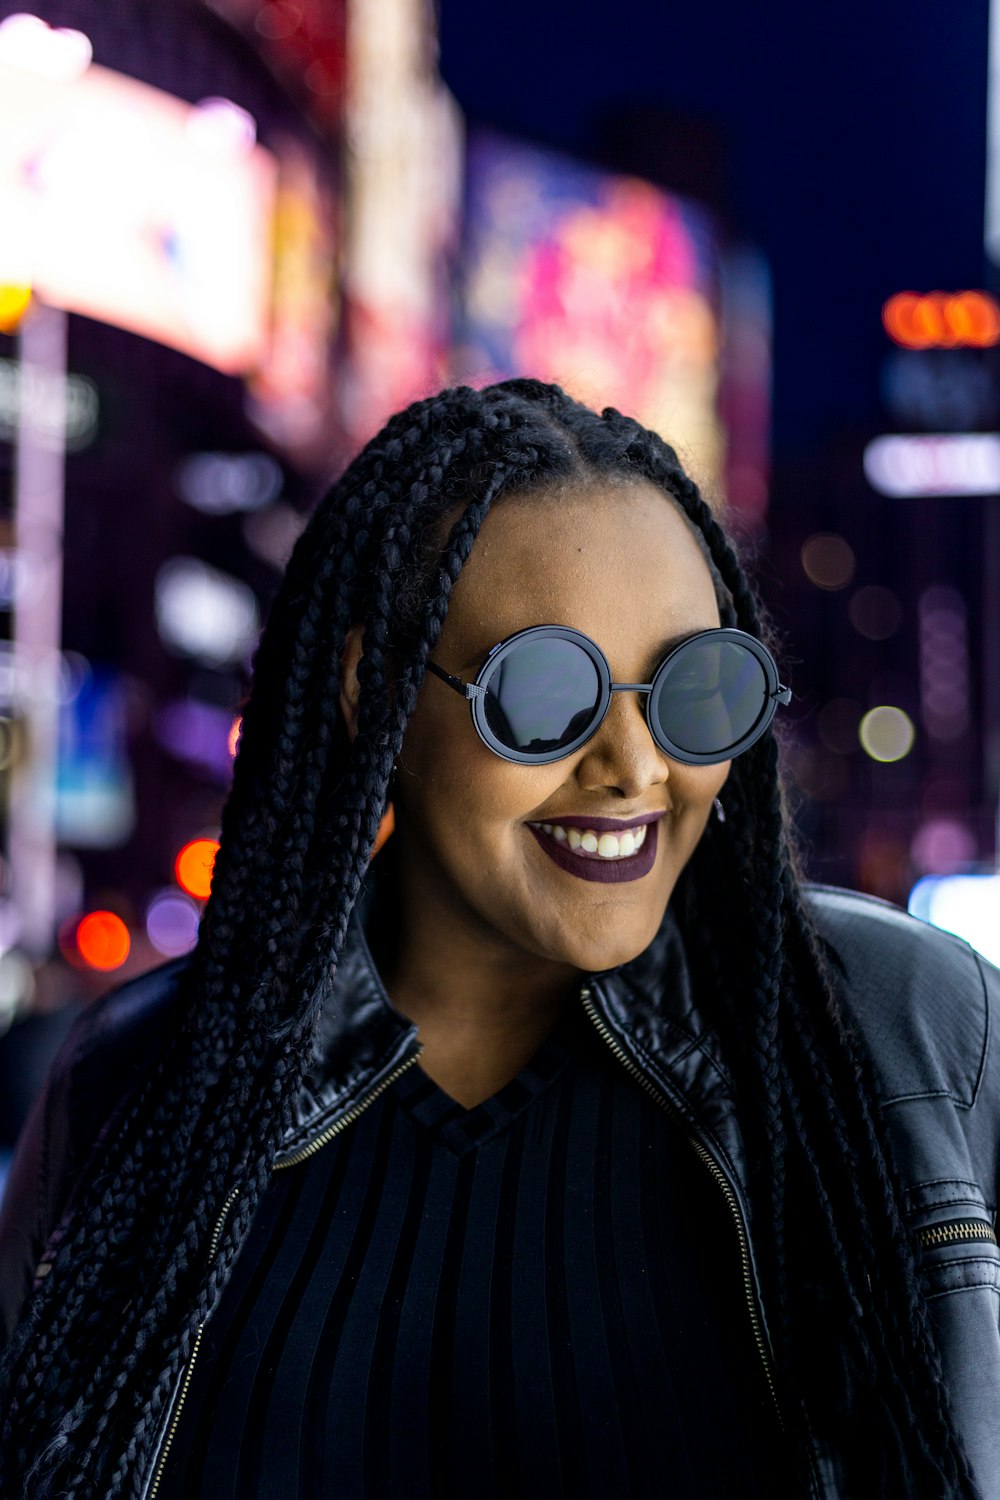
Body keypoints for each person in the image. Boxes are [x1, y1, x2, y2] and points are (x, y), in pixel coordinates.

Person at [0, 379, 997, 1500]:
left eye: (694, 686)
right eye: (543, 694)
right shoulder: (135, 1089)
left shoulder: (910, 1032)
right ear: (374, 689)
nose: (636, 766)